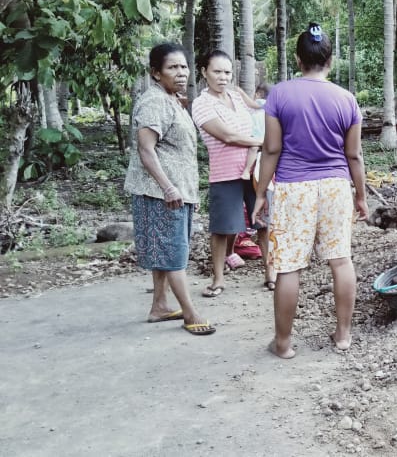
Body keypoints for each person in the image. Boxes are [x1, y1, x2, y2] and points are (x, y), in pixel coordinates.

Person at [252, 22, 369, 359]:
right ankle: (343, 335)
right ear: (329, 60)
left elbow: (271, 149)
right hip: (335, 187)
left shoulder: (280, 95)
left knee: (288, 266)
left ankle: (284, 344)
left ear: (297, 59)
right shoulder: (346, 99)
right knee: (340, 260)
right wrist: (360, 196)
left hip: (293, 187)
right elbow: (354, 155)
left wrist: (261, 193)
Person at [124, 42, 214, 335]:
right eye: (172, 68)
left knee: (168, 251)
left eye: (183, 67)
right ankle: (190, 313)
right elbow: (145, 149)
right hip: (159, 192)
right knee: (174, 253)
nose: (180, 73)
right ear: (155, 73)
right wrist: (168, 188)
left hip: (177, 190)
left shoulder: (172, 99)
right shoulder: (154, 101)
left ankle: (160, 306)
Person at [191, 50, 273, 297]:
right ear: (205, 72)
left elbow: (251, 121)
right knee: (222, 227)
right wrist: (260, 142)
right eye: (217, 71)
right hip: (225, 173)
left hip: (255, 170)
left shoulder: (237, 97)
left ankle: (270, 273)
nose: (223, 77)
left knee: (263, 223)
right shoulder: (201, 104)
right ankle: (218, 279)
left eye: (227, 72)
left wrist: (256, 145)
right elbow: (226, 135)